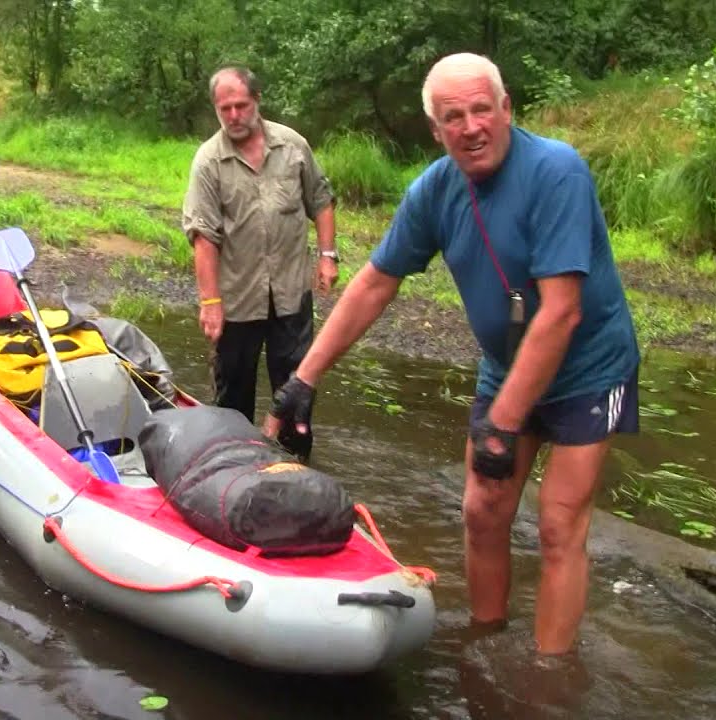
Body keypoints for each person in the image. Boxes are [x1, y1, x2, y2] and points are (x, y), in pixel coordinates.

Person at [264, 53, 641, 655]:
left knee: (557, 524)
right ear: (436, 130)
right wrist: (303, 380)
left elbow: (562, 311)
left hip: (589, 369)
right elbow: (374, 284)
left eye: (481, 110)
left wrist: (502, 422)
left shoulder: (556, 172)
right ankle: (486, 640)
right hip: (507, 366)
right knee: (483, 510)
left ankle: (549, 676)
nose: (470, 127)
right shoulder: (436, 190)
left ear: (506, 108)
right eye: (452, 117)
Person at [181, 66, 338, 460]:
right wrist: (210, 302)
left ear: (257, 101)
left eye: (241, 105)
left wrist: (327, 256)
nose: (233, 115)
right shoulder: (209, 161)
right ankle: (231, 468)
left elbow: (321, 201)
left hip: (291, 292)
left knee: (297, 392)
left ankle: (296, 465)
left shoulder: (293, 146)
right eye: (224, 108)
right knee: (232, 399)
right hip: (236, 300)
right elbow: (203, 236)